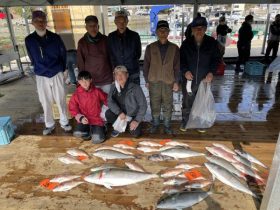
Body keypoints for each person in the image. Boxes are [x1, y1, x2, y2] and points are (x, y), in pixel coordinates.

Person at [25, 10, 72, 135]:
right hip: (41, 74)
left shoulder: (55, 37)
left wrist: (64, 69)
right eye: (37, 21)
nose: (40, 23)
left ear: (46, 22)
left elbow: (63, 53)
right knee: (45, 101)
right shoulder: (29, 40)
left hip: (56, 72)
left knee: (60, 98)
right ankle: (49, 124)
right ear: (33, 23)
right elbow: (32, 57)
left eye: (43, 21)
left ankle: (64, 122)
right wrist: (37, 68)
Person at [180, 16, 220, 133]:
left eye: (201, 28)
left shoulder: (212, 43)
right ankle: (186, 120)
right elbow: (181, 60)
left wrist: (211, 73)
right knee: (187, 101)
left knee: (202, 101)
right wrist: (185, 71)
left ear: (205, 29)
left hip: (204, 79)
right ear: (192, 29)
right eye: (196, 28)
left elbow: (216, 60)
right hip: (189, 80)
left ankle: (200, 122)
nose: (199, 30)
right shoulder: (186, 43)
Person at [143, 20, 180, 135]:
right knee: (154, 103)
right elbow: (145, 66)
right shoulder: (150, 47)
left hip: (169, 81)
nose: (163, 32)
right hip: (154, 81)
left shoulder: (175, 48)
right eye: (160, 30)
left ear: (168, 32)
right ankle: (155, 124)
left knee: (168, 104)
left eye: (165, 30)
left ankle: (167, 125)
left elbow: (177, 67)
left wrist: (176, 82)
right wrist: (146, 80)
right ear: (157, 32)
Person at [105, 66, 147, 138]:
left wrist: (137, 120)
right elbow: (109, 101)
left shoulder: (135, 88)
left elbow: (143, 106)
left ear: (127, 75)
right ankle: (120, 127)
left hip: (132, 116)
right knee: (108, 113)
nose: (119, 76)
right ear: (115, 76)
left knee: (135, 133)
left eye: (122, 74)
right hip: (121, 115)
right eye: (117, 74)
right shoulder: (113, 87)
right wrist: (119, 112)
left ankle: (129, 124)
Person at [69, 71, 107, 144]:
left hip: (96, 119)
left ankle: (102, 128)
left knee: (97, 140)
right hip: (84, 120)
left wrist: (107, 113)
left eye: (86, 80)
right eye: (82, 81)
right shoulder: (76, 94)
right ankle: (88, 132)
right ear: (79, 82)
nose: (85, 83)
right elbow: (72, 108)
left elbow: (107, 100)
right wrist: (80, 118)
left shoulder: (97, 91)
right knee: (77, 133)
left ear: (91, 80)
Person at [77, 15, 113, 94]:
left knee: (108, 102)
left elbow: (112, 58)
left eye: (95, 26)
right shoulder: (82, 42)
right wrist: (83, 80)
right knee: (94, 104)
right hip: (91, 80)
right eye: (90, 26)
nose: (93, 28)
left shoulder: (106, 40)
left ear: (98, 26)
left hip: (106, 78)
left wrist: (114, 75)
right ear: (86, 27)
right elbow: (81, 62)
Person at [108, 10, 142, 85]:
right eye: (119, 22)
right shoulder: (111, 37)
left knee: (135, 94)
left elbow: (138, 54)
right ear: (115, 22)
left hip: (133, 72)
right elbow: (110, 55)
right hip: (118, 73)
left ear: (127, 21)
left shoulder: (135, 36)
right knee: (121, 95)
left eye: (124, 21)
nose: (121, 24)